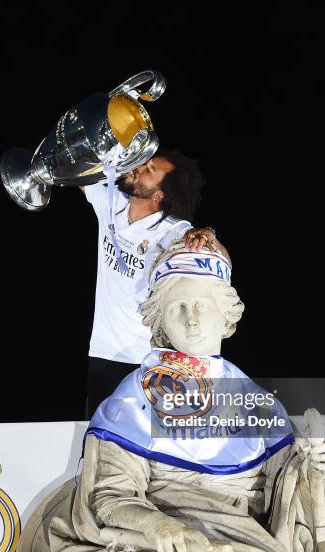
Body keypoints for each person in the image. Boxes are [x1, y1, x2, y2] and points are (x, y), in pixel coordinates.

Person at [19, 241, 325, 552]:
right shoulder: (133, 401)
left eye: (202, 305)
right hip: (155, 536)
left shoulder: (259, 405)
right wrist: (155, 525)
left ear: (225, 316)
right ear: (160, 319)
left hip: (244, 543)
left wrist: (321, 473)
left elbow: (294, 501)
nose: (191, 319)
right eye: (177, 307)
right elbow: (109, 497)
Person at [80, 150, 230, 418]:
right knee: (99, 439)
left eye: (150, 170)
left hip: (148, 359)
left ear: (160, 194)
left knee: (144, 446)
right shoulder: (113, 203)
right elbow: (79, 173)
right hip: (104, 352)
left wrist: (209, 235)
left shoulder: (171, 230)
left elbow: (219, 255)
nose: (140, 167)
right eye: (146, 163)